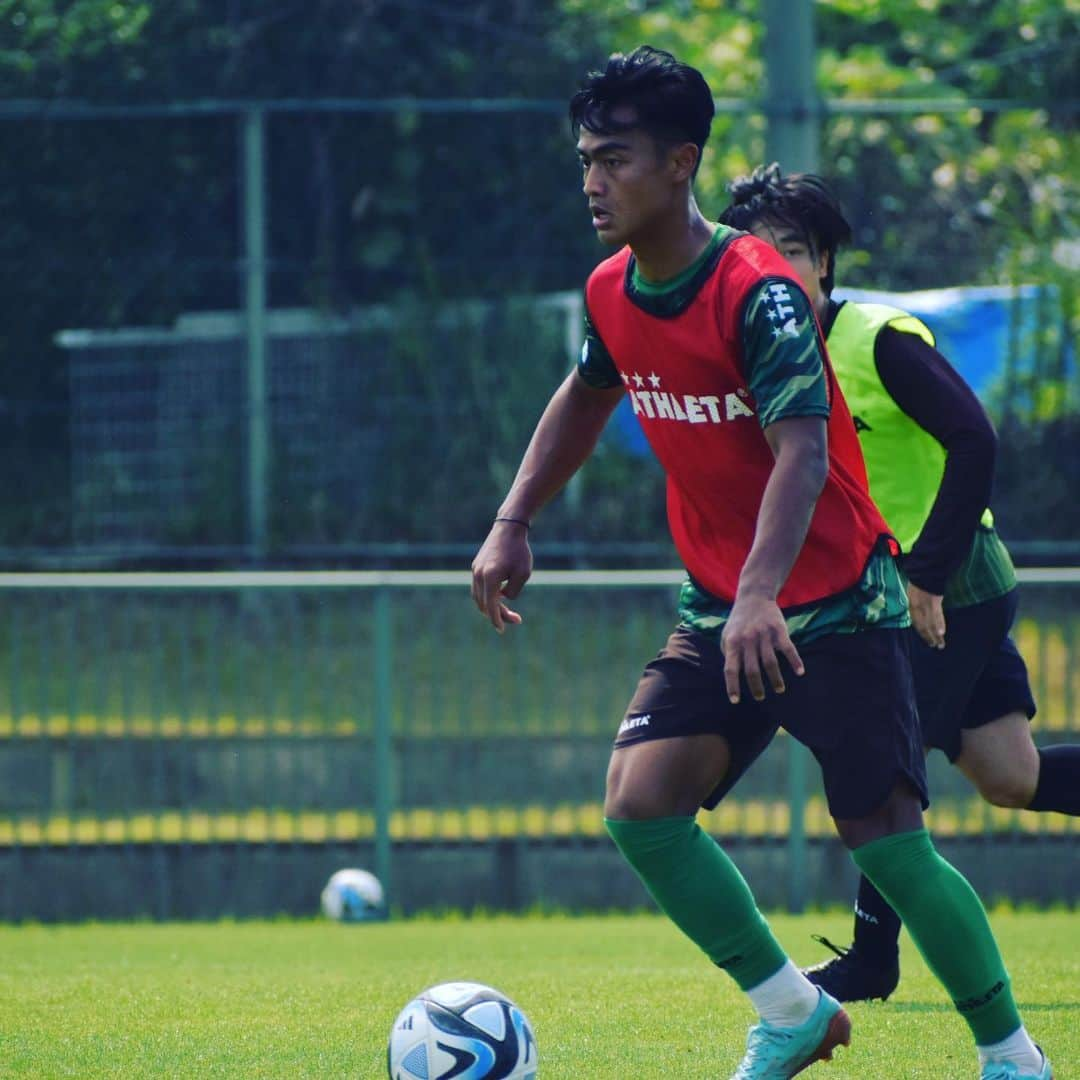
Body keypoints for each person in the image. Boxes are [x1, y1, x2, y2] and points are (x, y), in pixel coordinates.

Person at [470, 46, 1053, 1080]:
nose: (594, 181)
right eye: (585, 159)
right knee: (641, 807)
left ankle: (1011, 1054)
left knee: (889, 849)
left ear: (682, 162)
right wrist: (515, 518)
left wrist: (759, 598)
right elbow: (586, 393)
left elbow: (805, 448)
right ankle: (792, 1011)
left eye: (615, 158)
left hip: (832, 609)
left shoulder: (760, 292)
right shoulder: (614, 290)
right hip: (722, 613)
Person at [720, 162, 1080, 1014]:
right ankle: (877, 957)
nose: (782, 268)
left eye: (798, 251)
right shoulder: (752, 358)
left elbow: (974, 440)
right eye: (759, 253)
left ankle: (873, 962)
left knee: (886, 761)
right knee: (1010, 776)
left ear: (825, 265)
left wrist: (925, 572)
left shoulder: (875, 336)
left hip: (955, 584)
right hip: (894, 593)